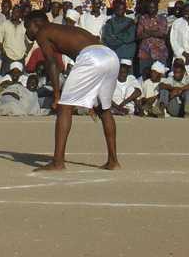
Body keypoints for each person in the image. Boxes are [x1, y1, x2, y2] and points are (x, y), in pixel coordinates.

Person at [24, 11, 120, 171]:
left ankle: (58, 162)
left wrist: (56, 95)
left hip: (92, 57)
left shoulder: (43, 32)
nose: (27, 32)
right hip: (110, 55)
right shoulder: (63, 29)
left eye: (27, 27)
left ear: (36, 24)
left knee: (64, 107)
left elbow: (51, 63)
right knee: (104, 109)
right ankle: (113, 161)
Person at [136, 0, 169, 73]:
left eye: (153, 7)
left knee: (160, 76)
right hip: (145, 53)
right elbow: (139, 35)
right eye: (150, 7)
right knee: (144, 77)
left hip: (160, 53)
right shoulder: (142, 18)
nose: (152, 9)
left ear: (157, 8)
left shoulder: (162, 19)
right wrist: (155, 31)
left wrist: (147, 31)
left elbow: (162, 34)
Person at [170, 2, 189, 79]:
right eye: (185, 11)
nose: (186, 13)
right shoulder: (177, 23)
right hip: (180, 55)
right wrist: (184, 54)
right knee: (178, 78)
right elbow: (173, 40)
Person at [0, 6, 28, 75]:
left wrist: (26, 53)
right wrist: (3, 53)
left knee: (20, 79)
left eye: (16, 12)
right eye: (13, 11)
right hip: (7, 58)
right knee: (5, 79)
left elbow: (30, 42)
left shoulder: (25, 26)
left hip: (20, 58)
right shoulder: (4, 24)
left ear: (20, 14)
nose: (13, 13)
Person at [102, 0, 136, 64]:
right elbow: (108, 39)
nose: (120, 11)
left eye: (122, 9)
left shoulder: (130, 22)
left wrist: (116, 36)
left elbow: (130, 38)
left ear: (125, 10)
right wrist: (121, 40)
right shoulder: (109, 23)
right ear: (114, 10)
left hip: (127, 53)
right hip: (113, 54)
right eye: (118, 9)